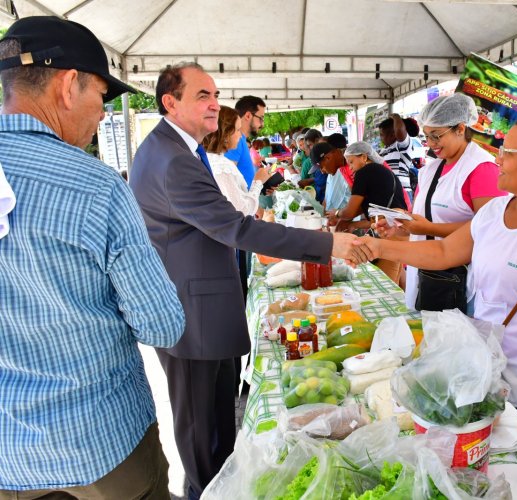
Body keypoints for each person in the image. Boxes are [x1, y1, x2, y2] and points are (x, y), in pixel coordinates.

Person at [129, 62, 364, 499]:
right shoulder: (172, 159)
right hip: (190, 317)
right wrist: (327, 243)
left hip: (200, 310)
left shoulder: (179, 150)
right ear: (170, 102)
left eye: (215, 94)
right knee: (203, 438)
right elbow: (236, 228)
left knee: (217, 428)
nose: (215, 104)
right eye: (202, 95)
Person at [0, 16, 185, 498]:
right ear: (67, 86)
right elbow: (162, 325)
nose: (103, 114)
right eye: (101, 97)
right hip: (100, 447)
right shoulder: (95, 186)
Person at [363, 116, 517, 409]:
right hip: (487, 379)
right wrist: (375, 245)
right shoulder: (495, 212)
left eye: (508, 153)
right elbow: (443, 253)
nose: (497, 159)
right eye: (499, 151)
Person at [377, 93, 505, 310]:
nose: (430, 144)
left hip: (460, 282)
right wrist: (401, 227)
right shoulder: (430, 170)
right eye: (427, 136)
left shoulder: (482, 169)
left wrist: (428, 227)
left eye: (437, 136)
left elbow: (490, 228)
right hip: (426, 275)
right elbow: (423, 221)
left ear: (461, 129)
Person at [330, 141, 408, 283]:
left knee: (385, 284)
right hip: (400, 231)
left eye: (351, 162)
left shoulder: (365, 172)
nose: (351, 169)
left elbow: (349, 212)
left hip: (389, 234)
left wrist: (336, 214)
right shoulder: (382, 172)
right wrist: (355, 225)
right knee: (397, 276)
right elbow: (376, 215)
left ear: (364, 157)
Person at [204, 106, 271, 217]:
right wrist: (258, 182)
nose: (240, 136)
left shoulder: (212, 159)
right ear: (226, 133)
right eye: (237, 130)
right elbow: (241, 209)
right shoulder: (221, 165)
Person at [225, 95, 266, 184]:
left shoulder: (241, 141)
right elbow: (228, 182)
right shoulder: (236, 141)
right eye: (261, 118)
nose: (262, 124)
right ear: (248, 115)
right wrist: (258, 182)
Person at [379, 114, 416, 201]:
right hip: (388, 193)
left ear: (393, 135)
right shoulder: (383, 150)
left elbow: (399, 130)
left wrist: (395, 116)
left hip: (401, 193)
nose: (380, 138)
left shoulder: (402, 147)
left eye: (381, 134)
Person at [311, 142, 352, 212]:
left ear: (328, 158)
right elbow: (326, 200)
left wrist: (338, 215)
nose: (322, 172)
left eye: (321, 167)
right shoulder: (332, 172)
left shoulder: (352, 168)